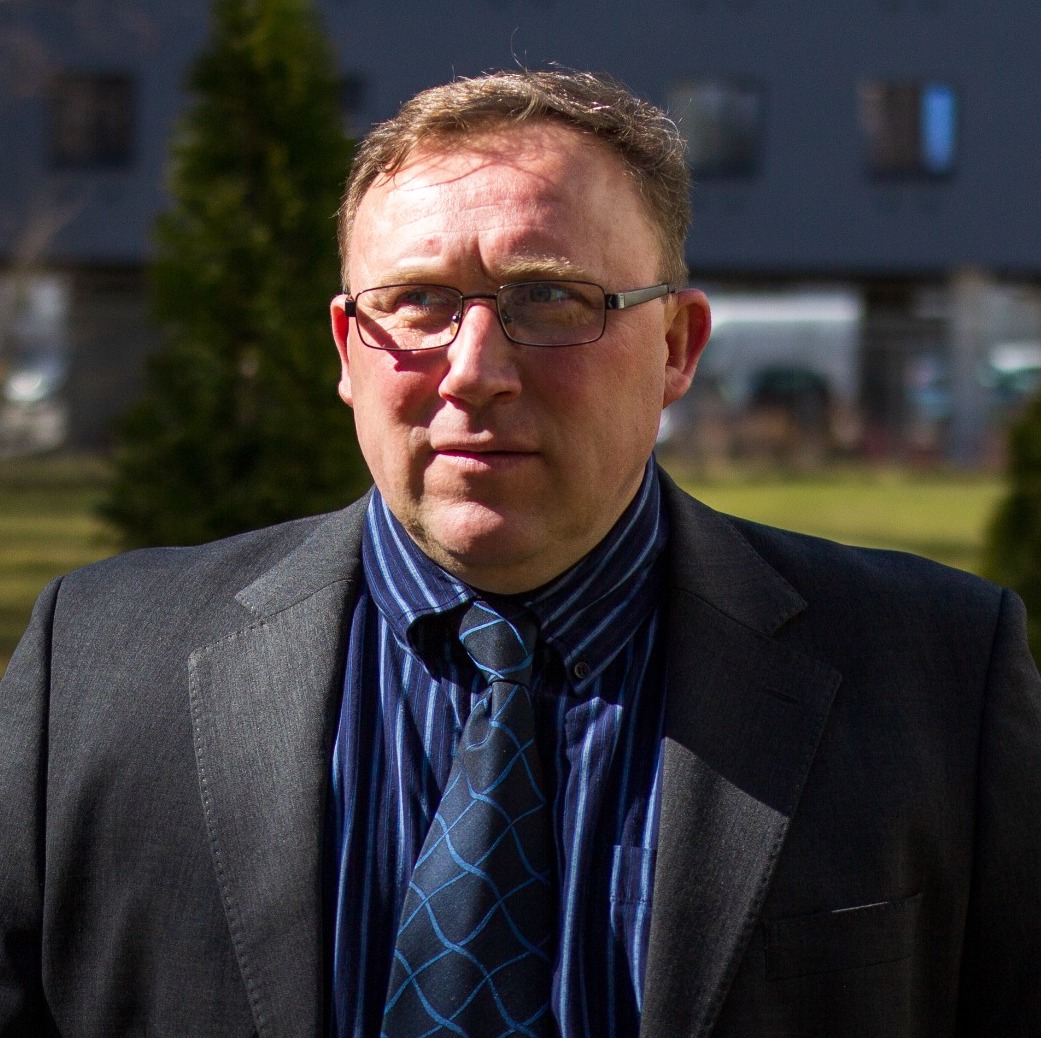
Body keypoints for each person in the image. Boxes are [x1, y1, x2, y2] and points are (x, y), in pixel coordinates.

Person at [1, 69, 1039, 1038]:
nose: (473, 370)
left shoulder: (933, 675)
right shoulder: (95, 668)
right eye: (417, 301)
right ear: (348, 350)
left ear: (676, 347)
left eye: (549, 298)